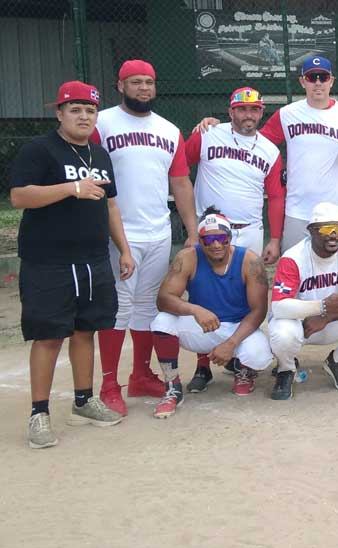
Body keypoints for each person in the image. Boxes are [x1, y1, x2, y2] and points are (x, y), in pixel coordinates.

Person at [9, 81, 131, 448]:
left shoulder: (99, 154)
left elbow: (110, 205)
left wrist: (123, 249)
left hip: (92, 259)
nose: (83, 116)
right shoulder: (39, 149)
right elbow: (19, 196)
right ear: (59, 113)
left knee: (85, 331)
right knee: (48, 336)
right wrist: (70, 188)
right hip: (49, 261)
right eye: (75, 109)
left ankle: (83, 400)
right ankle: (39, 414)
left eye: (90, 110)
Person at [92, 60, 199, 416]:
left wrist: (192, 228)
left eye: (149, 82)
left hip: (157, 229)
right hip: (117, 230)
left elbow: (180, 182)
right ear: (119, 85)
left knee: (148, 306)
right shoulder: (101, 122)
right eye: (135, 82)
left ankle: (140, 375)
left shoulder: (168, 129)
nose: (143, 88)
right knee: (117, 308)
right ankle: (110, 384)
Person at [195, 56, 338, 249]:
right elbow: (253, 141)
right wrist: (219, 128)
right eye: (312, 78)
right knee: (295, 272)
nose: (318, 83)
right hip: (298, 212)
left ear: (331, 81)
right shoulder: (287, 114)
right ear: (303, 81)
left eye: (323, 77)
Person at [184, 86, 285, 390]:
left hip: (248, 229)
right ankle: (203, 366)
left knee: (248, 297)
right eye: (241, 109)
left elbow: (277, 197)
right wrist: (198, 128)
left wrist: (275, 238)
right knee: (202, 293)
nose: (248, 114)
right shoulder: (209, 134)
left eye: (254, 109)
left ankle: (243, 364)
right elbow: (180, 165)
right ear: (230, 112)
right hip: (210, 231)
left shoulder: (270, 149)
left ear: (261, 112)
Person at [149, 209, 272, 417]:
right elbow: (163, 299)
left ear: (230, 238)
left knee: (259, 356)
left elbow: (259, 311)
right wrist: (194, 309)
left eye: (221, 238)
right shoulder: (187, 257)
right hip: (204, 326)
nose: (216, 245)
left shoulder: (249, 260)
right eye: (209, 239)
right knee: (162, 322)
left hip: (238, 328)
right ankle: (172, 386)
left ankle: (244, 369)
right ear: (200, 240)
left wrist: (231, 344)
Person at [267, 203, 338, 400]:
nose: (334, 235)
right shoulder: (293, 258)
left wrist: (326, 316)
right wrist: (320, 307)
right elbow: (278, 306)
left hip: (330, 320)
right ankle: (286, 369)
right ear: (311, 231)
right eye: (327, 229)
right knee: (282, 333)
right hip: (299, 323)